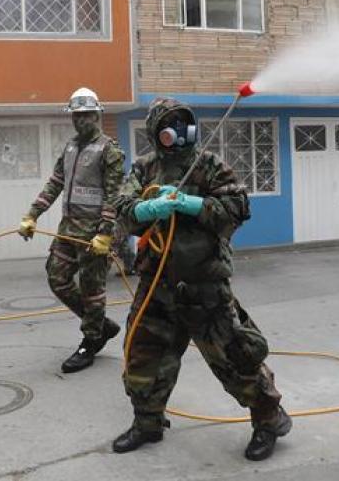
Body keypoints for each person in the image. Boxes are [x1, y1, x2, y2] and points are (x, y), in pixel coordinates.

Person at [111, 97, 290, 462]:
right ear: (155, 132)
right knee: (143, 358)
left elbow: (237, 209)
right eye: (169, 124)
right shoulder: (144, 169)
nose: (178, 131)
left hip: (204, 285)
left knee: (236, 360)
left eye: (184, 122)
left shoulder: (209, 165)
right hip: (157, 285)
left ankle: (268, 420)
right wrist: (147, 208)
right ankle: (148, 423)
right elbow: (122, 211)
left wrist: (191, 205)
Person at [18, 88, 124, 373]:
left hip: (94, 236)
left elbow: (114, 196)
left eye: (86, 115)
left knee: (93, 291)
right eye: (76, 116)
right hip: (68, 231)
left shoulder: (109, 150)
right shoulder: (69, 148)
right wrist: (32, 215)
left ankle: (91, 341)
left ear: (97, 115)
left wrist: (105, 233)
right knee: (57, 278)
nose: (81, 121)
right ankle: (101, 325)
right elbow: (55, 184)